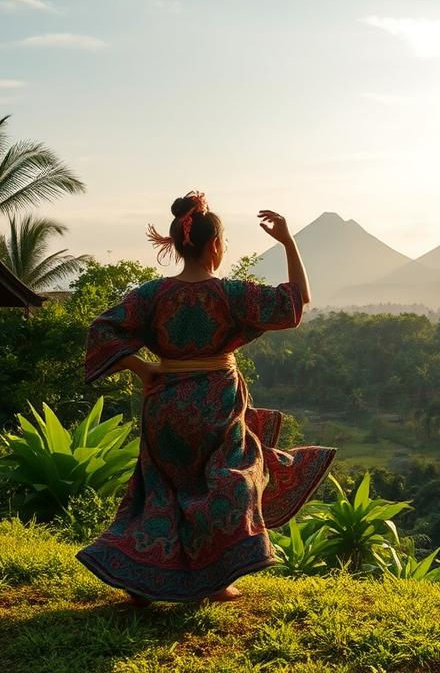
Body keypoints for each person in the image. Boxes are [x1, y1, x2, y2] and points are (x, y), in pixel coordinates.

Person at [76, 192, 335, 605]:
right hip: (217, 404)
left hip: (164, 406)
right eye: (225, 241)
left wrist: (142, 368)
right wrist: (288, 242)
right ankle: (216, 581)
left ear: (179, 244)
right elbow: (295, 301)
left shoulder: (152, 294)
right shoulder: (230, 294)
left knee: (161, 491)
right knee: (228, 483)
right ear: (215, 245)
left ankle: (142, 582)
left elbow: (101, 329)